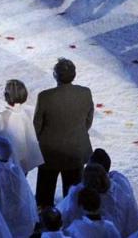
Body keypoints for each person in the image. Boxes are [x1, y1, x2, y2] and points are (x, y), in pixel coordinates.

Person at [33, 59, 94, 207]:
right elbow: (88, 121)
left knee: (44, 197)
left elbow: (37, 126)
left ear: (55, 75)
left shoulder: (45, 97)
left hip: (49, 153)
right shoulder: (85, 93)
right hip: (75, 151)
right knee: (73, 197)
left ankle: (44, 216)